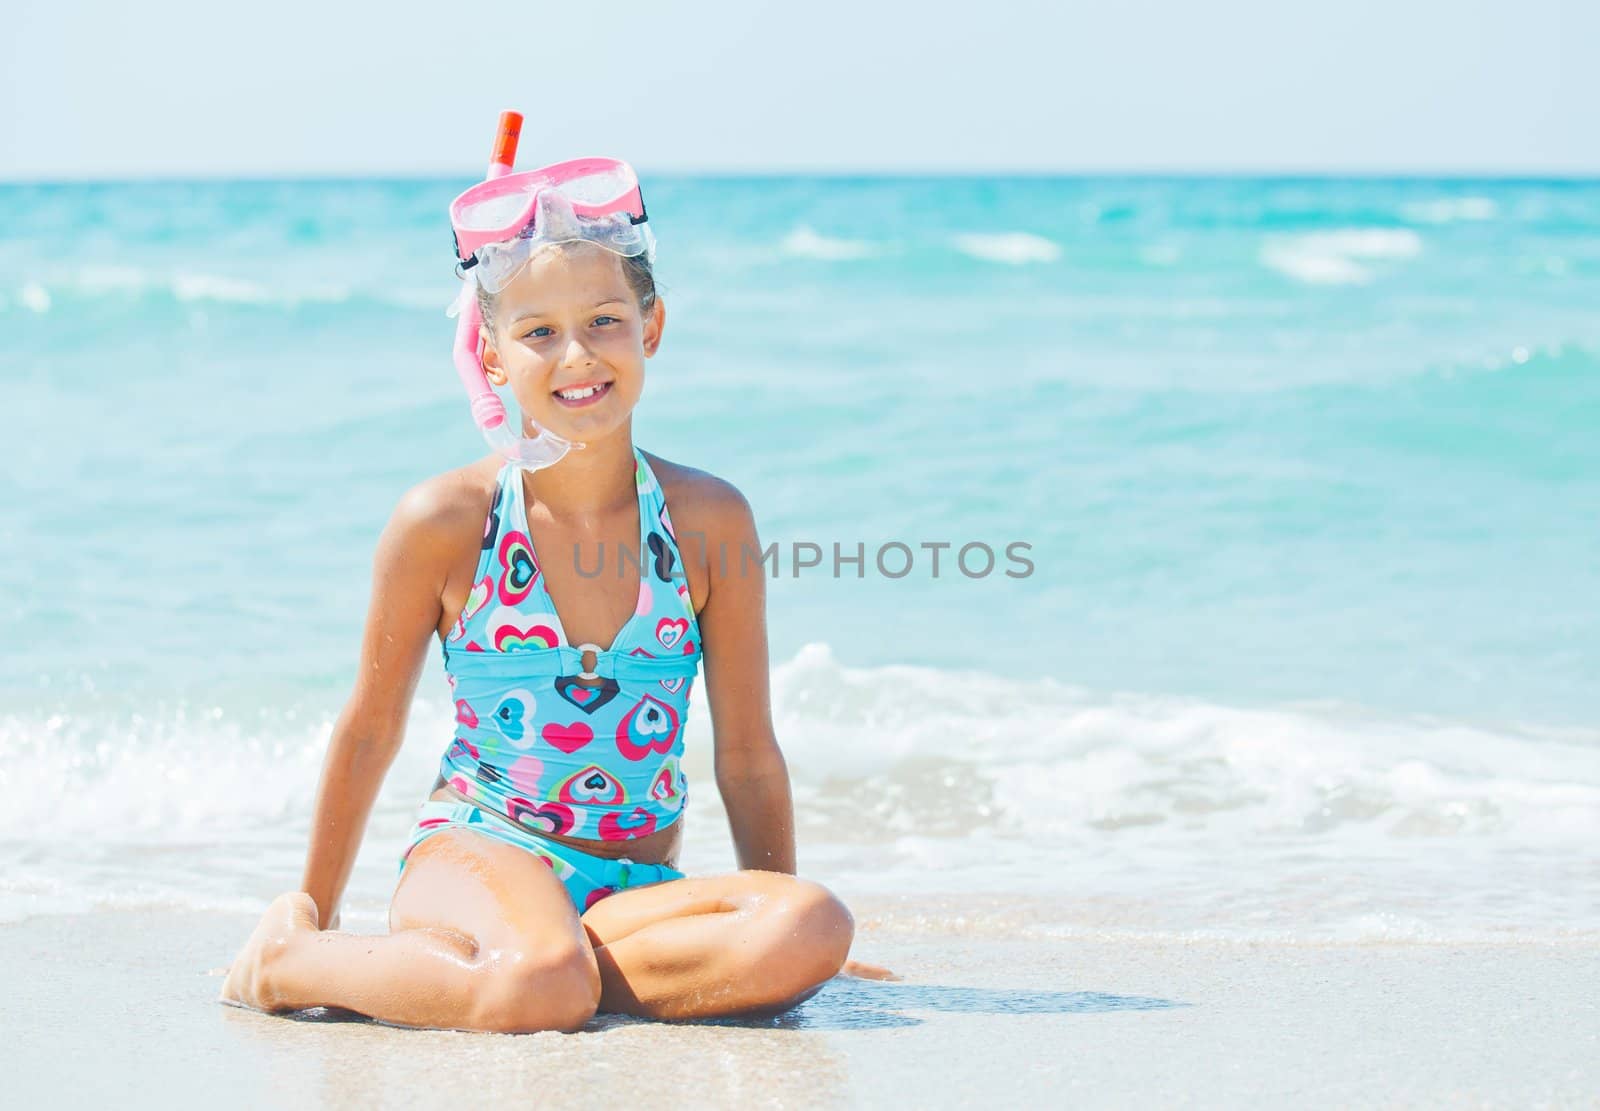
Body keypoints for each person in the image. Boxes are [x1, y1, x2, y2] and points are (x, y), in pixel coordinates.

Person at [218, 144, 894, 1033]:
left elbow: (747, 754)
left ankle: (548, 970)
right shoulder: (447, 522)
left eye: (606, 320)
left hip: (632, 887)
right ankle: (290, 961)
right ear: (490, 357)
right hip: (481, 853)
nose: (578, 354)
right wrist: (314, 906)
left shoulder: (707, 519)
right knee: (542, 976)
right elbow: (370, 728)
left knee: (812, 924)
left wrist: (771, 933)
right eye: (538, 331)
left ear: (650, 329)